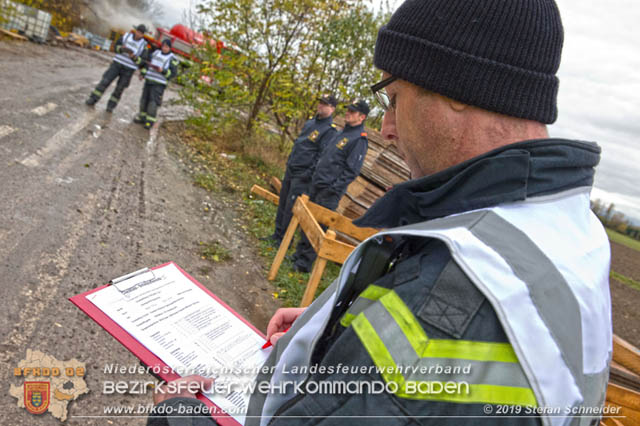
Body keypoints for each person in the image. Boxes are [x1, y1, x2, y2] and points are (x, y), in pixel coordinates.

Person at [147, 0, 612, 425]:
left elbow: (440, 339)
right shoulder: (568, 231)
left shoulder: (445, 299)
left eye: (394, 100)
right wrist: (342, 335)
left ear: (459, 87)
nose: (386, 129)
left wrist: (177, 413)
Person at [291, 100, 370, 272]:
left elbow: (351, 171)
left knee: (318, 227)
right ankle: (298, 254)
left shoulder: (359, 139)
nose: (348, 113)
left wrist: (333, 188)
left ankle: (304, 264)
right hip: (317, 184)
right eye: (348, 110)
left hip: (329, 191)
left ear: (362, 117)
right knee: (307, 221)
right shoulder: (341, 132)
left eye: (352, 111)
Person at [262, 94, 338, 246]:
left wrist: (307, 174)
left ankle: (285, 240)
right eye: (320, 103)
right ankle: (277, 235)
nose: (321, 106)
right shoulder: (311, 123)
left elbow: (321, 157)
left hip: (303, 175)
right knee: (283, 202)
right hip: (292, 168)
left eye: (325, 104)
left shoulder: (330, 131)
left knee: (291, 207)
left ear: (332, 109)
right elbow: (300, 144)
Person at [86, 24, 148, 112]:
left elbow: (143, 62)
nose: (139, 34)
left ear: (143, 34)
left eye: (141, 33)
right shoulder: (126, 36)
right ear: (136, 31)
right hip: (117, 64)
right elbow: (115, 47)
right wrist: (121, 49)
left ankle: (111, 106)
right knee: (105, 81)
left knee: (120, 88)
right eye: (138, 32)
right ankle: (93, 99)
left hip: (129, 69)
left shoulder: (144, 45)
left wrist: (134, 57)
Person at [134, 39, 179, 130]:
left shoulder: (172, 59)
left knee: (153, 102)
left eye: (166, 47)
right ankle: (142, 117)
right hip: (149, 80)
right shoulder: (155, 53)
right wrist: (143, 73)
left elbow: (173, 74)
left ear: (170, 48)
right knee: (144, 100)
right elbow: (147, 65)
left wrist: (163, 71)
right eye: (163, 46)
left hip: (159, 83)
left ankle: (150, 121)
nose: (164, 48)